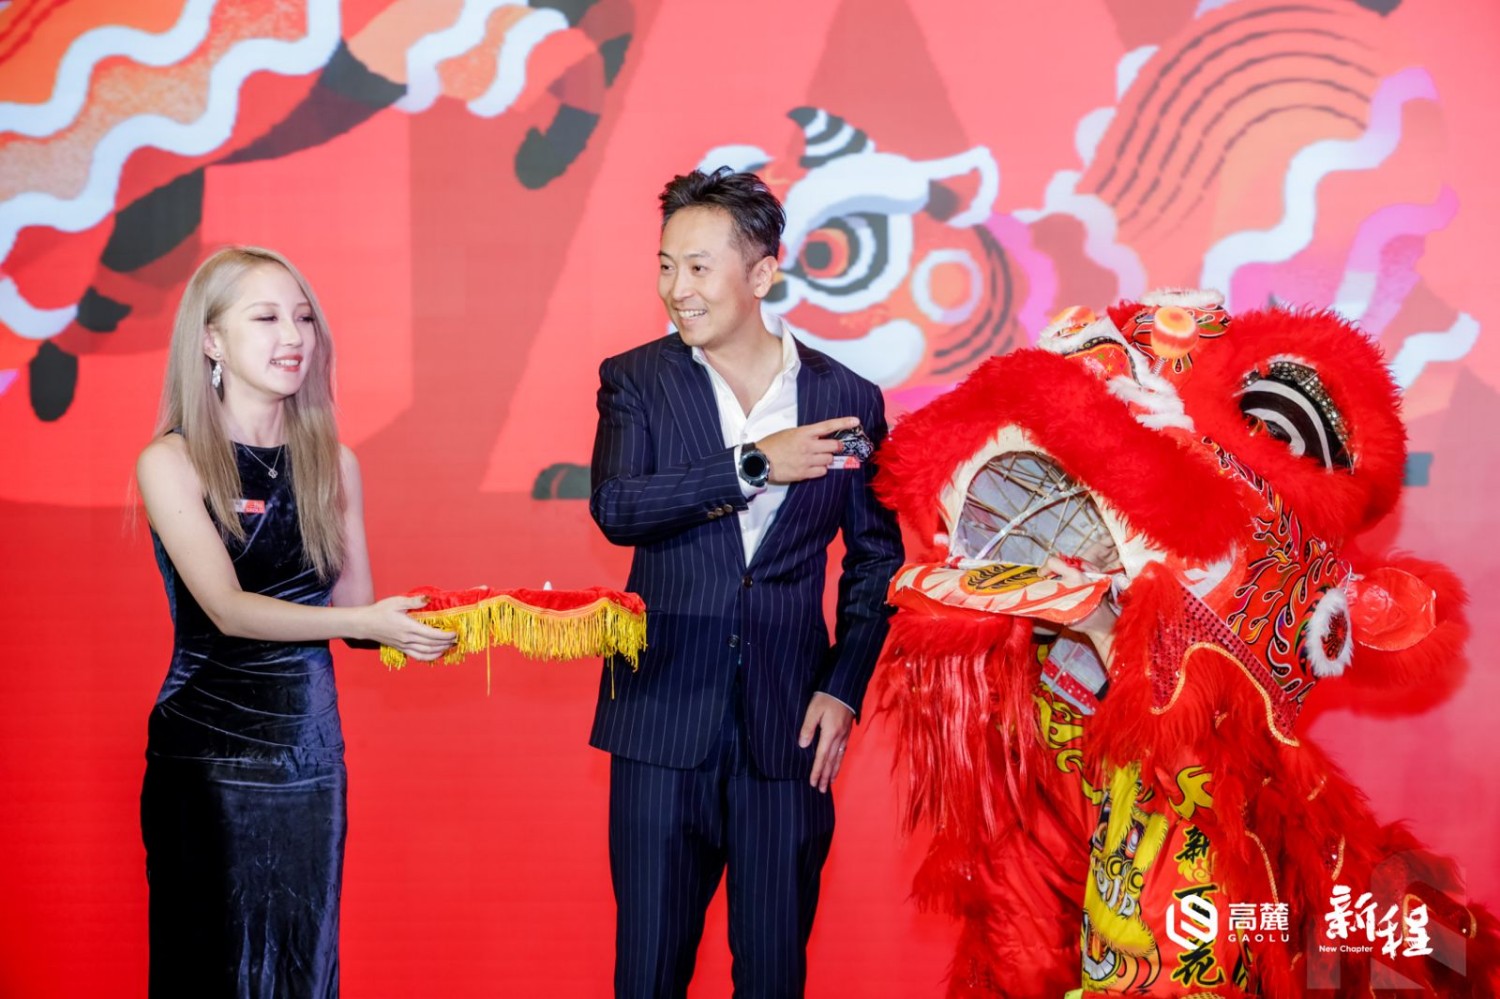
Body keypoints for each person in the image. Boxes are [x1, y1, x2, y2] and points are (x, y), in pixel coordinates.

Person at [588, 168, 904, 997]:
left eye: (698, 267)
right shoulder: (636, 380)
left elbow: (876, 559)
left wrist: (844, 685)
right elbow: (618, 506)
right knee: (648, 974)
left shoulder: (847, 398)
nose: (677, 289)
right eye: (666, 266)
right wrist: (754, 464)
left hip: (789, 729)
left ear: (763, 273)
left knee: (772, 973)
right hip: (660, 721)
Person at [135, 246, 454, 997]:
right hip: (209, 757)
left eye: (304, 318)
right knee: (208, 967)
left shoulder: (334, 464)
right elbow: (227, 609)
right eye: (267, 317)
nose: (293, 336)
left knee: (302, 965)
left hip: (310, 761)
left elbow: (356, 618)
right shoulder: (171, 461)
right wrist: (368, 619)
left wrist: (442, 621)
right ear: (211, 340)